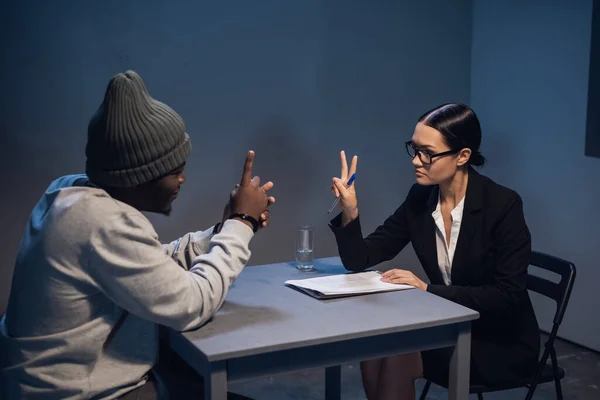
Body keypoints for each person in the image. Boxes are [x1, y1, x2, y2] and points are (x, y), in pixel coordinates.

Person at [0, 70, 275, 399]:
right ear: (138, 176)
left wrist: (223, 228)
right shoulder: (100, 221)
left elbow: (152, 262)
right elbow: (193, 304)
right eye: (174, 171)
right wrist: (242, 222)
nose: (182, 180)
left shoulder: (72, 194)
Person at [328, 103, 540, 400]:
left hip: (500, 340)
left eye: (427, 153)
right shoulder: (421, 198)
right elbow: (359, 259)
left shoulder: (502, 205)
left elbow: (507, 295)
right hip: (450, 323)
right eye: (414, 149)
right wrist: (350, 212)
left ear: (463, 156)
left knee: (399, 355)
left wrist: (428, 289)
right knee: (375, 343)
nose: (416, 160)